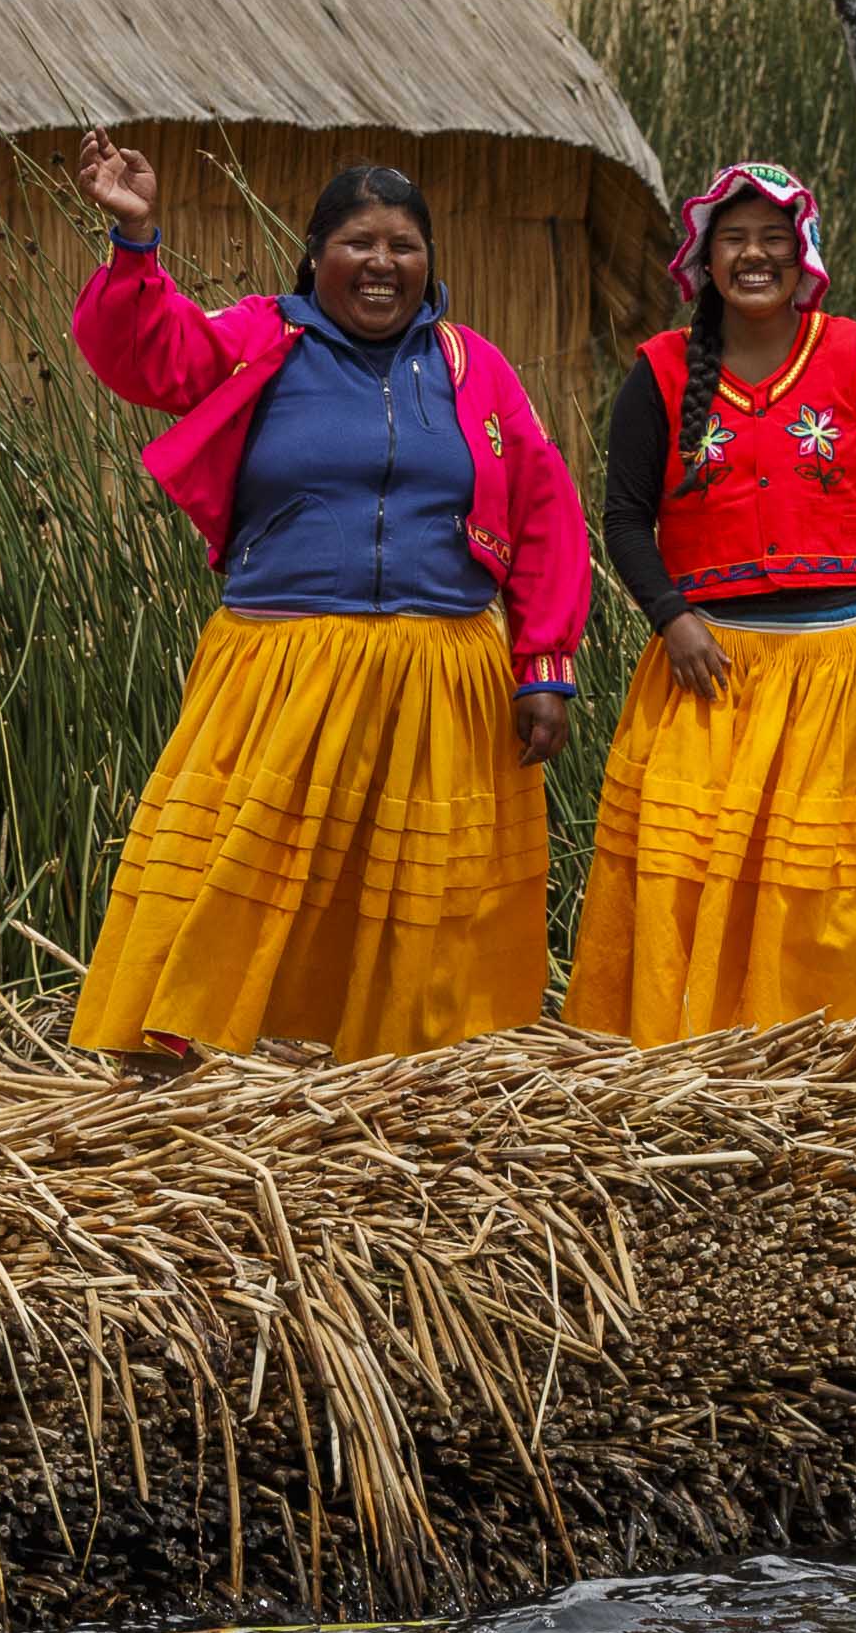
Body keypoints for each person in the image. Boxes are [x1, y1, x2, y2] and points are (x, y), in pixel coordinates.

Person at [63, 135, 588, 1065]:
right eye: (358, 242)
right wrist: (136, 239)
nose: (383, 263)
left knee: (419, 887)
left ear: (429, 261)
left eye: (403, 245)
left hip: (440, 674)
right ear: (315, 255)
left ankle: (404, 1064)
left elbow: (544, 508)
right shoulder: (263, 338)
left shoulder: (475, 367)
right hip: (281, 667)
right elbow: (146, 356)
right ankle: (178, 1046)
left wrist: (543, 663)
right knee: (228, 865)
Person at [566, 161, 856, 1044]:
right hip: (711, 668)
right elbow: (622, 517)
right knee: (693, 868)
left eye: (774, 239)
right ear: (705, 260)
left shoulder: (855, 354)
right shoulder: (661, 372)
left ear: (801, 254)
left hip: (837, 669)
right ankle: (684, 1042)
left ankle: (814, 1042)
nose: (754, 256)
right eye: (734, 239)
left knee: (819, 877)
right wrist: (673, 618)